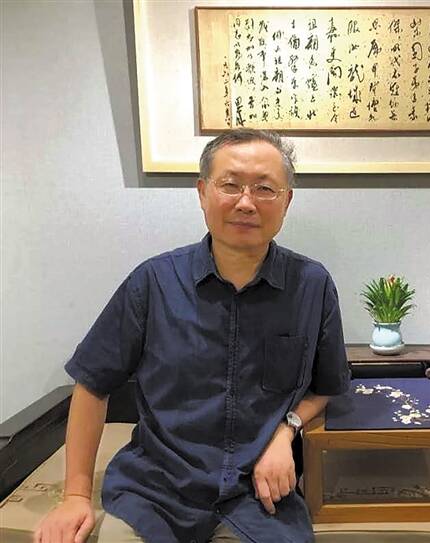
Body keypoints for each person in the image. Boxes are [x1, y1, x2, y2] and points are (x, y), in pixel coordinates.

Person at [33, 129, 350, 543]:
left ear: (286, 201)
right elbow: (93, 383)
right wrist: (75, 496)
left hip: (259, 497)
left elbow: (326, 386)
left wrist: (285, 431)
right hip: (154, 490)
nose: (246, 202)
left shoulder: (312, 285)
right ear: (203, 193)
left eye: (264, 188)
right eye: (230, 185)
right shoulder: (153, 283)